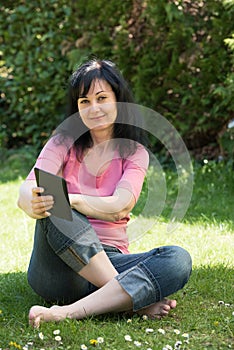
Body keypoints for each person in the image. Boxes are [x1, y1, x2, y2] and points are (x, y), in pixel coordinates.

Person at [17, 59, 192, 328]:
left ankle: (69, 312)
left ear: (118, 100)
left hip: (111, 258)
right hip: (59, 269)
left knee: (177, 260)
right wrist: (34, 203)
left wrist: (73, 200)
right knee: (56, 206)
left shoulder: (134, 152)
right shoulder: (62, 142)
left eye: (101, 98)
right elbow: (26, 191)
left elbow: (121, 205)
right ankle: (132, 299)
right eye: (84, 101)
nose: (93, 108)